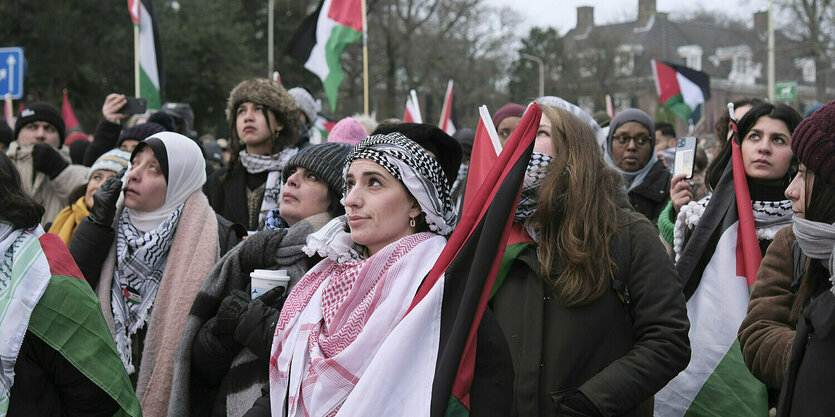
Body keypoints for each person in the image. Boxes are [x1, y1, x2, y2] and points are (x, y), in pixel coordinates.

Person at [251, 133, 511, 416]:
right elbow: (289, 376)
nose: (351, 199)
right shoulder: (325, 276)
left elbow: (487, 389)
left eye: (373, 183)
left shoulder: (440, 289)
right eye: (350, 184)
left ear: (415, 203)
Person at [490, 104, 690, 417]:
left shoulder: (629, 234)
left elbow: (667, 341)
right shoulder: (494, 233)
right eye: (518, 131)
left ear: (575, 148)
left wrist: (589, 403)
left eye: (539, 131)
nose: (522, 138)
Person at [169, 143, 352, 417]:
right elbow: (202, 368)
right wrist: (222, 330)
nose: (291, 180)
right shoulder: (255, 252)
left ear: (336, 197)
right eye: (291, 173)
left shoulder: (341, 261)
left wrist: (254, 324)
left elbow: (325, 363)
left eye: (311, 176)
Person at [67, 132, 243, 416]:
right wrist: (96, 223)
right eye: (134, 164)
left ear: (180, 182)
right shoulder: (106, 224)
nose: (133, 175)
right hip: (100, 397)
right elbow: (72, 290)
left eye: (154, 169)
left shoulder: (217, 238)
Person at [655, 102, 802, 416]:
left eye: (778, 140)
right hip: (705, 370)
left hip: (784, 375)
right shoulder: (699, 217)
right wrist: (674, 212)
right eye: (754, 137)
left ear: (795, 155)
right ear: (739, 144)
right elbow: (672, 288)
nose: (763, 148)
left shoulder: (808, 227)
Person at [0, 152, 141, 417]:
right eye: (95, 176)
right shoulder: (64, 219)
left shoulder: (44, 278)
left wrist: (99, 221)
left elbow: (94, 398)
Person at [734, 100, 835, 416]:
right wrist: (813, 357)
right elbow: (758, 330)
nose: (791, 190)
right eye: (754, 136)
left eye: (804, 174)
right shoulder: (794, 240)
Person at [206, 78, 301, 232]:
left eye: (258, 109)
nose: (248, 117)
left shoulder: (297, 177)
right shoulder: (217, 182)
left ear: (279, 123)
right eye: (241, 111)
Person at [6, 102, 90, 225]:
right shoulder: (4, 169)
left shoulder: (82, 173)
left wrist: (60, 170)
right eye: (32, 127)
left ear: (60, 139)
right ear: (18, 134)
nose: (40, 135)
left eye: (49, 129)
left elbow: (92, 201)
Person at [48, 148, 131, 244]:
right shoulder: (62, 217)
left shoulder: (125, 232)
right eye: (97, 177)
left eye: (112, 180)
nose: (101, 186)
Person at [604, 108, 671, 223]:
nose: (631, 146)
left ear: (652, 144)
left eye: (641, 140)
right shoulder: (592, 184)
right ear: (610, 142)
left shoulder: (669, 187)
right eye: (622, 139)